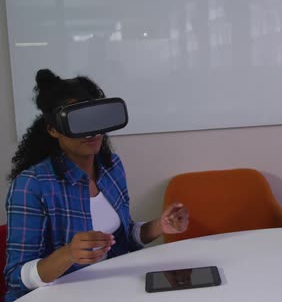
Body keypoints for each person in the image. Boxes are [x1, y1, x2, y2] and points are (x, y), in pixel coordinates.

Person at [4, 69, 190, 301]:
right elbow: (15, 276)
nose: (92, 131)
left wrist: (159, 226)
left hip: (108, 289)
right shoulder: (31, 186)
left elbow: (123, 239)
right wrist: (68, 254)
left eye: (96, 118)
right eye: (79, 121)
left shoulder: (111, 168)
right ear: (52, 129)